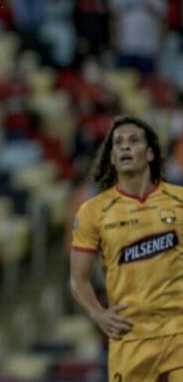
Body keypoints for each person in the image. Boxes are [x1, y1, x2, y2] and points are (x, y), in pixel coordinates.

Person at [70, 115, 183, 382]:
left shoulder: (179, 200)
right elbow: (78, 279)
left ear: (151, 153)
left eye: (133, 141)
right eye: (117, 143)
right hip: (130, 336)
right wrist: (98, 314)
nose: (124, 147)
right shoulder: (93, 211)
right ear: (111, 157)